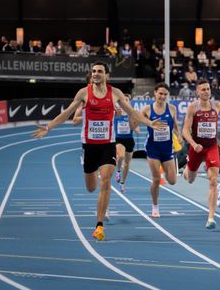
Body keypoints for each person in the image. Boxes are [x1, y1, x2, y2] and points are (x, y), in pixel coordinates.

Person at [32, 61, 166, 241]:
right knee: (91, 187)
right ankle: (91, 176)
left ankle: (99, 226)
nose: (95, 74)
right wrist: (48, 127)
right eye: (93, 71)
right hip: (89, 145)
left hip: (107, 144)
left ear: (107, 75)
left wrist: (150, 123)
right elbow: (67, 113)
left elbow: (132, 112)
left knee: (105, 181)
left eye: (99, 71)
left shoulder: (115, 93)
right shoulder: (83, 93)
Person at [182, 78, 220, 229]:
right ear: (197, 92)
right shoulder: (193, 108)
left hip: (211, 147)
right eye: (203, 89)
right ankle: (187, 171)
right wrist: (194, 144)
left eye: (208, 89)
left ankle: (211, 218)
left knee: (213, 181)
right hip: (197, 148)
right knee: (190, 179)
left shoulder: (216, 105)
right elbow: (185, 130)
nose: (206, 92)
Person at [141, 83, 181, 218]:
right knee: (157, 179)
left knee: (173, 180)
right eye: (160, 93)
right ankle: (155, 206)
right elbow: (137, 119)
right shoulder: (147, 109)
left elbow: (175, 125)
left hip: (167, 148)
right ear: (155, 93)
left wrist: (179, 135)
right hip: (153, 149)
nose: (162, 96)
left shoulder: (172, 109)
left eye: (165, 94)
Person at [114, 94, 139, 193]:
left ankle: (122, 183)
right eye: (123, 100)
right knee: (120, 157)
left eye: (127, 100)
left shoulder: (132, 114)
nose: (125, 102)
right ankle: (118, 172)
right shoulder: (117, 113)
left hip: (129, 140)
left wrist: (136, 129)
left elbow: (136, 127)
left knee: (127, 164)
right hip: (119, 139)